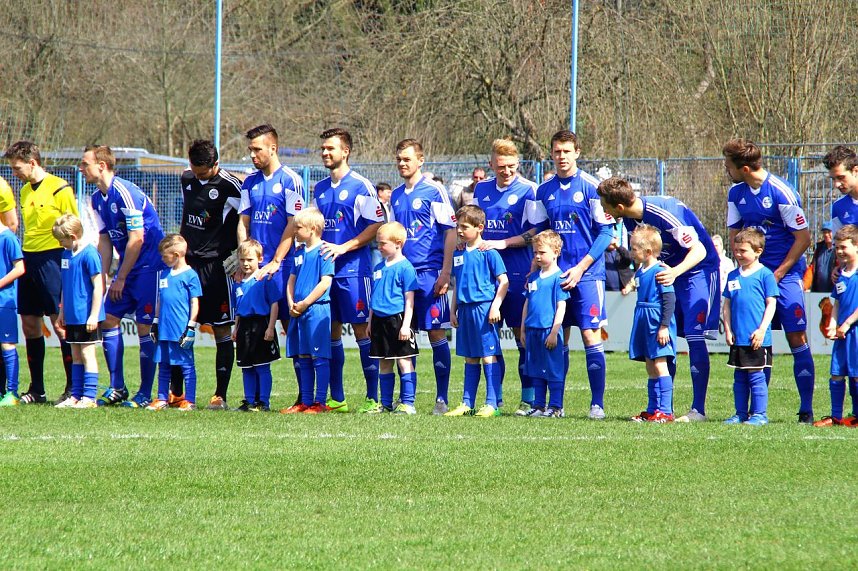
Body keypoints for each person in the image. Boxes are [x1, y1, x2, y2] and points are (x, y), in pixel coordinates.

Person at [598, 176, 720, 423]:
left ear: (618, 208)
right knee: (663, 339)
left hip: (697, 270)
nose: (603, 211)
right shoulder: (631, 221)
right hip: (668, 273)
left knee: (694, 336)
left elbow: (701, 250)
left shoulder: (664, 212)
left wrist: (674, 272)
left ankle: (698, 410)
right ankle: (663, 409)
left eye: (605, 206)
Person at [724, 138, 815, 423]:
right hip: (752, 273)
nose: (726, 169)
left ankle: (806, 409)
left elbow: (803, 238)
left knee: (796, 335)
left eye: (729, 165)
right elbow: (734, 234)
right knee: (756, 339)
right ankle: (754, 413)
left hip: (785, 274)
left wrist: (779, 272)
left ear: (746, 168)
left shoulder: (781, 192)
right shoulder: (735, 193)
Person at [531, 130, 615, 420]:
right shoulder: (544, 191)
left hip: (588, 276)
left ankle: (597, 405)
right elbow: (540, 234)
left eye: (567, 151)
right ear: (551, 154)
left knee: (591, 336)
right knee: (557, 339)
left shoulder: (592, 187)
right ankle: (556, 405)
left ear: (577, 152)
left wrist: (580, 268)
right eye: (557, 151)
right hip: (555, 278)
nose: (561, 156)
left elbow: (606, 233)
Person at [81, 145, 166, 408]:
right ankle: (117, 386)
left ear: (102, 166)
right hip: (126, 270)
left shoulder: (126, 193)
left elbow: (137, 239)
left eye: (85, 164)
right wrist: (103, 276)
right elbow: (105, 241)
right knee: (109, 320)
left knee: (144, 326)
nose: (82, 169)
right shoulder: (96, 199)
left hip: (149, 268)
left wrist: (120, 276)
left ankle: (144, 393)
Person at [313, 128, 384, 412]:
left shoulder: (361, 186)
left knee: (361, 330)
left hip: (354, 271)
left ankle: (373, 398)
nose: (325, 153)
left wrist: (345, 247)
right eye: (323, 149)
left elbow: (377, 224)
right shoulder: (318, 189)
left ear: (346, 151)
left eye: (331, 148)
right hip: (325, 272)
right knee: (331, 332)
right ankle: (337, 398)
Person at [5, 141, 78, 404]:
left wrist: (71, 264)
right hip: (29, 259)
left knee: (60, 325)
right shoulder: (24, 191)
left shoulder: (60, 187)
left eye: (17, 167)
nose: (15, 173)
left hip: (53, 260)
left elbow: (74, 227)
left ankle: (73, 388)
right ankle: (37, 389)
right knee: (30, 324)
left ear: (32, 162)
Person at [472, 138, 541, 413]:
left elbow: (537, 231)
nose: (507, 171)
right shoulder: (482, 189)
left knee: (522, 336)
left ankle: (527, 398)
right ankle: (494, 399)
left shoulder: (529, 190)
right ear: (492, 164)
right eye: (501, 166)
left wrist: (505, 242)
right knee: (489, 337)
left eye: (512, 166)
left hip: (518, 272)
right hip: (486, 275)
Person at [238, 124, 304, 407]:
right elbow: (243, 220)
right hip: (256, 270)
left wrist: (277, 260)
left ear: (273, 148)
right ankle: (254, 398)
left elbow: (295, 223)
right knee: (252, 330)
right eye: (250, 149)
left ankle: (306, 396)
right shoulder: (249, 183)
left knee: (292, 328)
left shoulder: (291, 180)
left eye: (257, 149)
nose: (252, 155)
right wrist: (243, 255)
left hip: (283, 267)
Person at [389, 139, 456, 414]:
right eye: (399, 159)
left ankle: (441, 398)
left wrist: (446, 271)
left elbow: (450, 231)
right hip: (401, 274)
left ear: (420, 160)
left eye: (407, 159)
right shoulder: (394, 195)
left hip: (429, 273)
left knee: (436, 332)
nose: (403, 163)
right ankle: (408, 399)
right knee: (405, 334)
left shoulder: (434, 190)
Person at [179, 140, 243, 410]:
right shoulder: (186, 179)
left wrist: (240, 256)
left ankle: (220, 395)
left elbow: (246, 221)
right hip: (188, 265)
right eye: (195, 170)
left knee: (221, 330)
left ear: (216, 164)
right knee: (180, 328)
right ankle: (177, 393)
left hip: (217, 268)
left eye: (203, 172)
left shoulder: (231, 187)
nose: (198, 175)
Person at [445, 205, 509, 417]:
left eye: (464, 227)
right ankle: (467, 403)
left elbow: (504, 282)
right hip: (464, 311)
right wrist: (453, 310)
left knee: (488, 356)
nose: (460, 231)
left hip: (484, 310)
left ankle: (492, 404)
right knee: (470, 357)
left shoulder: (489, 252)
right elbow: (458, 284)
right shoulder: (458, 253)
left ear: (480, 227)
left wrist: (495, 306)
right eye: (457, 227)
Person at [722, 229, 779, 426]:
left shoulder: (765, 275)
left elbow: (771, 303)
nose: (738, 254)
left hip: (756, 337)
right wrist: (728, 330)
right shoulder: (732, 276)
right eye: (736, 250)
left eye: (743, 251)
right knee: (739, 377)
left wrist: (762, 329)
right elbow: (727, 305)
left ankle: (759, 415)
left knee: (756, 376)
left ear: (758, 251)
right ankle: (740, 414)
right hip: (739, 337)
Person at [283, 208, 334, 414]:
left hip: (317, 310)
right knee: (302, 356)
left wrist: (305, 303)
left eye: (298, 227)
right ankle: (305, 401)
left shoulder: (325, 251)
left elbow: (325, 282)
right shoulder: (299, 251)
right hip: (298, 312)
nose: (294, 231)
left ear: (312, 229)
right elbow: (291, 280)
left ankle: (319, 402)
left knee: (319, 357)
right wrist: (290, 303)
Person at [52, 214, 104, 409]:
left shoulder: (90, 254)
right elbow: (66, 285)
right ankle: (75, 396)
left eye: (61, 240)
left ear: (73, 236)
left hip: (86, 316)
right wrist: (62, 310)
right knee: (75, 355)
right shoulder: (66, 254)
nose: (60, 243)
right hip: (72, 315)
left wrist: (93, 314)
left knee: (87, 354)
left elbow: (98, 286)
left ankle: (89, 398)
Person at [627, 225, 677, 423]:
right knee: (649, 364)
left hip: (656, 321)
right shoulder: (640, 272)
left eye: (634, 249)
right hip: (642, 319)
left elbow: (669, 300)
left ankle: (665, 411)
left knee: (659, 363)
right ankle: (652, 409)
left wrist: (664, 326)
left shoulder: (660, 271)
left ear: (648, 252)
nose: (631, 252)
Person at [368, 222, 419, 414]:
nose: (379, 247)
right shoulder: (378, 267)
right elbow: (374, 296)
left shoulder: (406, 267)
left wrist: (406, 326)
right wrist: (370, 321)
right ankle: (386, 403)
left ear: (398, 243)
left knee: (404, 360)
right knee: (384, 362)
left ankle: (408, 403)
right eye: (378, 244)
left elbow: (409, 300)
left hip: (398, 320)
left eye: (383, 244)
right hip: (379, 321)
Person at [146, 235, 201, 411]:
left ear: (176, 255)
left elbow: (195, 302)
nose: (162, 259)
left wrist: (191, 326)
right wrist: (155, 322)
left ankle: (189, 400)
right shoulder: (164, 274)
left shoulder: (191, 275)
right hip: (164, 329)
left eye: (165, 256)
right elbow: (160, 300)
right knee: (163, 364)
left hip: (180, 330)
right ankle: (162, 398)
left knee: (186, 365)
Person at [519, 230, 569, 417]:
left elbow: (561, 306)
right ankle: (539, 405)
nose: (538, 256)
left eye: (542, 252)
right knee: (536, 369)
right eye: (535, 253)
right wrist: (523, 328)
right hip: (532, 330)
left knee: (554, 370)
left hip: (549, 330)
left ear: (556, 252)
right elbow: (527, 303)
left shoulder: (560, 277)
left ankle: (556, 407)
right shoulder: (533, 277)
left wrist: (555, 332)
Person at [815, 225, 858, 427]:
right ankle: (835, 416)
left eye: (843, 247)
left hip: (855, 331)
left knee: (856, 375)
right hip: (842, 332)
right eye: (838, 248)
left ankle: (856, 415)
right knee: (836, 372)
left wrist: (848, 322)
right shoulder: (841, 273)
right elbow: (837, 302)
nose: (839, 251)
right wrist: (832, 324)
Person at [232, 239, 280, 412]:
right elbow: (237, 309)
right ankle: (250, 401)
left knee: (262, 366)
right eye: (242, 259)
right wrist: (236, 328)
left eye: (250, 259)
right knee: (246, 366)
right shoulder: (237, 282)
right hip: (244, 325)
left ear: (260, 259)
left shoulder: (265, 279)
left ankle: (263, 402)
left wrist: (271, 327)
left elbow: (274, 304)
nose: (245, 263)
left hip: (261, 324)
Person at [0, 213, 24, 406]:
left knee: (7, 344)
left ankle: (12, 392)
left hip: (4, 301)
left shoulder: (8, 238)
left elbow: (19, 268)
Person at [825, 145, 858, 234]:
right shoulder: (838, 207)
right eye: (833, 179)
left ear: (855, 171)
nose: (836, 184)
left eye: (841, 177)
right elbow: (837, 244)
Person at [808, 222, 835, 293]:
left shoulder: (839, 249)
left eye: (829, 232)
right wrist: (805, 285)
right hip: (818, 292)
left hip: (834, 291)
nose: (826, 235)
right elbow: (812, 268)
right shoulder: (819, 249)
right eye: (824, 232)